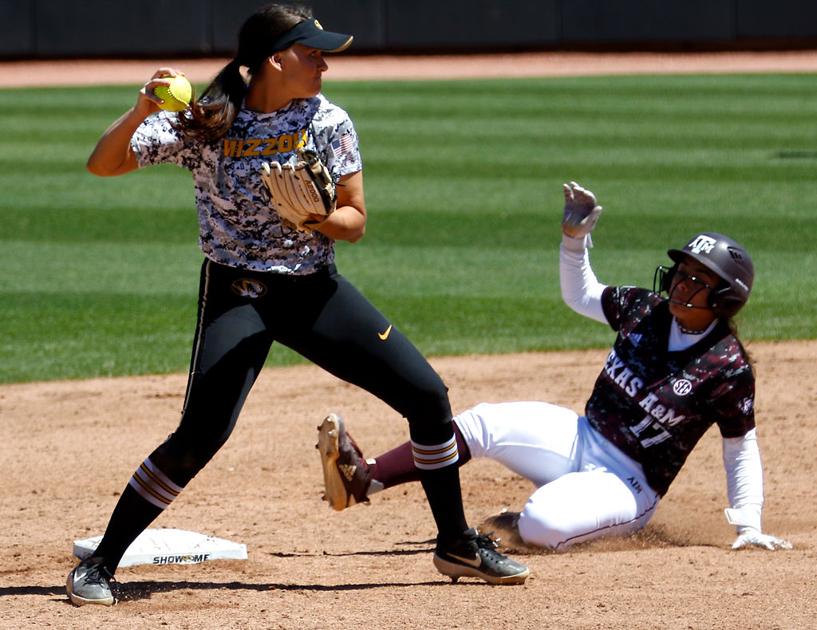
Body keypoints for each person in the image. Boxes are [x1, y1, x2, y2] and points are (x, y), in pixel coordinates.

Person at [65, 3, 528, 607]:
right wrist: (141, 111)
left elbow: (355, 221)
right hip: (239, 294)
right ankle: (100, 565)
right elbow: (104, 164)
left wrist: (315, 217)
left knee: (428, 397)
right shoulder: (204, 122)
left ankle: (456, 543)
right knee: (201, 433)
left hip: (315, 291)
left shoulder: (328, 120)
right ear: (274, 60)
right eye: (313, 53)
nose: (324, 64)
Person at [317, 181, 793, 554]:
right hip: (580, 437)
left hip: (628, 484)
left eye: (698, 279)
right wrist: (574, 241)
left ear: (725, 298)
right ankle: (364, 477)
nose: (681, 283)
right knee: (482, 422)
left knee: (542, 523)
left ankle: (524, 528)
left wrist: (748, 524)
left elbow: (740, 446)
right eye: (683, 272)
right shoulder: (645, 309)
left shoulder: (725, 367)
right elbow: (581, 295)